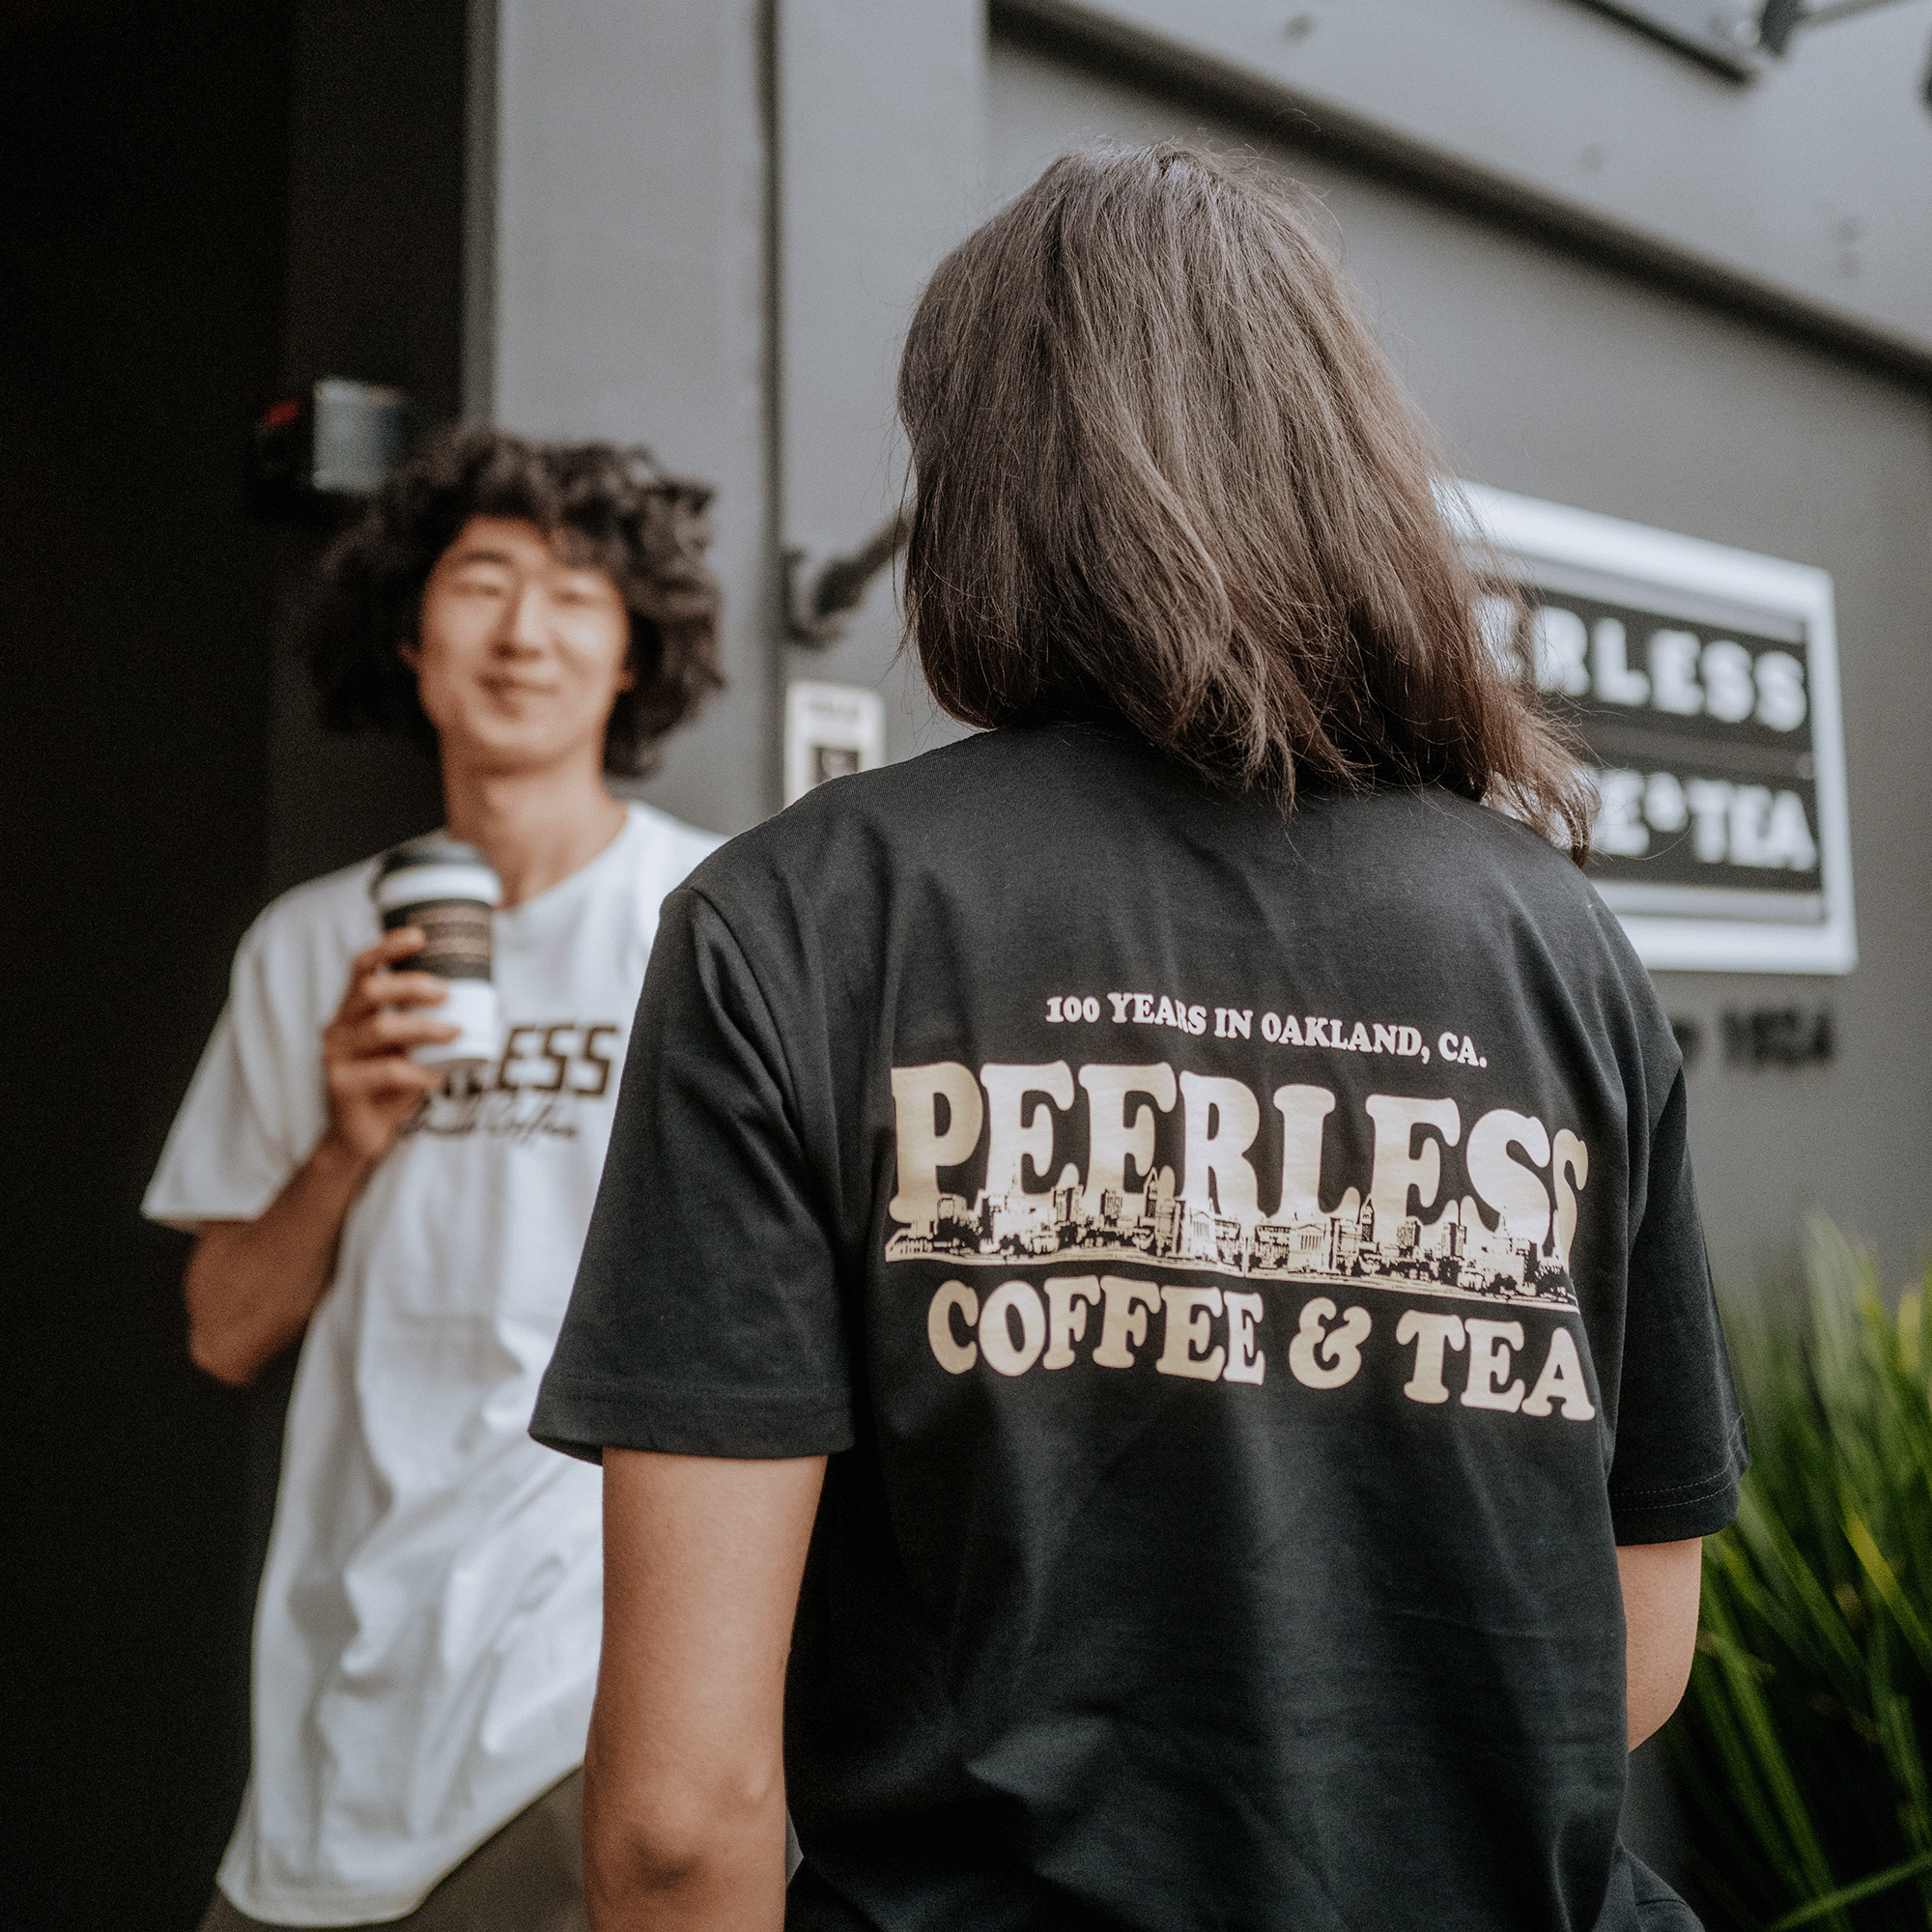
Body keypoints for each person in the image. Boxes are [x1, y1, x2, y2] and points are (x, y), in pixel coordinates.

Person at [532, 144, 1746, 1931]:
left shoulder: (796, 922)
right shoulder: (1557, 940)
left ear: (979, 484)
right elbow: (1632, 1644)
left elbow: (678, 1810)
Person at [145, 429, 725, 1931]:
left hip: (596, 1685)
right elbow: (223, 1329)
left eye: (576, 596)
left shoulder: (711, 926)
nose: (524, 632)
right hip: (351, 1684)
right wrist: (349, 1133)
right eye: (482, 584)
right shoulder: (306, 946)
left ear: (631, 655)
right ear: (411, 636)